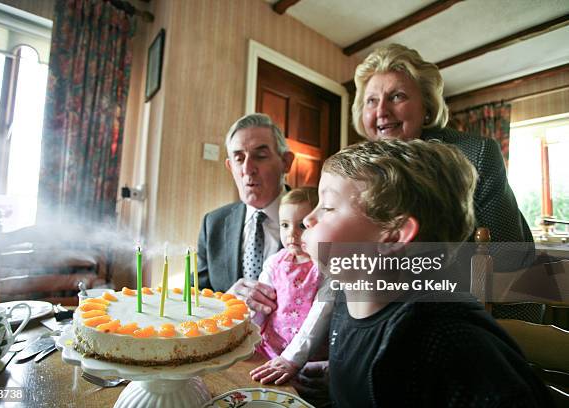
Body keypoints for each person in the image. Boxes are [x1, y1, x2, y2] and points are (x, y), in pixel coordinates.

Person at [300, 139, 552, 407]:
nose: (308, 219)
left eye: (327, 207)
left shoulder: (449, 345)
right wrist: (339, 378)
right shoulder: (345, 298)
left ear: (393, 235)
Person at [351, 44, 533, 269]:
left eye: (397, 96)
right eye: (371, 101)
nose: (381, 111)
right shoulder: (355, 169)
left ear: (427, 107)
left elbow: (511, 259)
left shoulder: (475, 154)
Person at [197, 113, 294, 314]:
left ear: (286, 162)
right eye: (239, 158)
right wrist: (224, 304)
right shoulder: (213, 223)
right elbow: (195, 297)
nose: (248, 169)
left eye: (260, 156)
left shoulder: (316, 220)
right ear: (230, 166)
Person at [248, 187, 333, 385]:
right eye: (285, 225)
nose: (291, 233)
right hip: (267, 348)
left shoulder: (324, 268)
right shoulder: (274, 263)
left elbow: (320, 315)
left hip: (304, 357)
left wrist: (292, 358)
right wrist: (245, 338)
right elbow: (261, 306)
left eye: (302, 226)